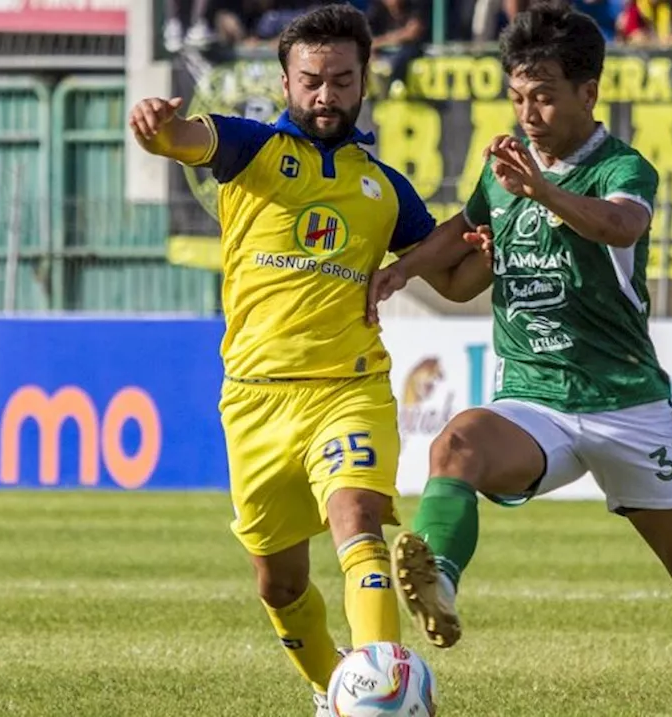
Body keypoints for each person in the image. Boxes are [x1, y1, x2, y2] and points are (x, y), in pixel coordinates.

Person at [364, 2, 672, 714]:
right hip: (534, 400)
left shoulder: (621, 167)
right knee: (457, 442)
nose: (529, 114)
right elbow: (463, 228)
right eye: (518, 97)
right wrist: (403, 271)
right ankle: (437, 574)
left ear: (588, 93)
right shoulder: (505, 169)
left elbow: (620, 223)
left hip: (626, 403)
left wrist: (545, 191)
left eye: (545, 96)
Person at [127, 5, 490, 715]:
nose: (326, 96)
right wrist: (155, 123)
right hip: (255, 399)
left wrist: (492, 250)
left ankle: (382, 692)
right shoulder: (249, 148)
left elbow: (451, 281)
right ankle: (334, 694)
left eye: (342, 81)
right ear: (288, 81)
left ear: (364, 82)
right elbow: (185, 138)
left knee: (358, 518)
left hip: (346, 389)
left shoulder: (383, 188)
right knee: (279, 585)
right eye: (312, 81)